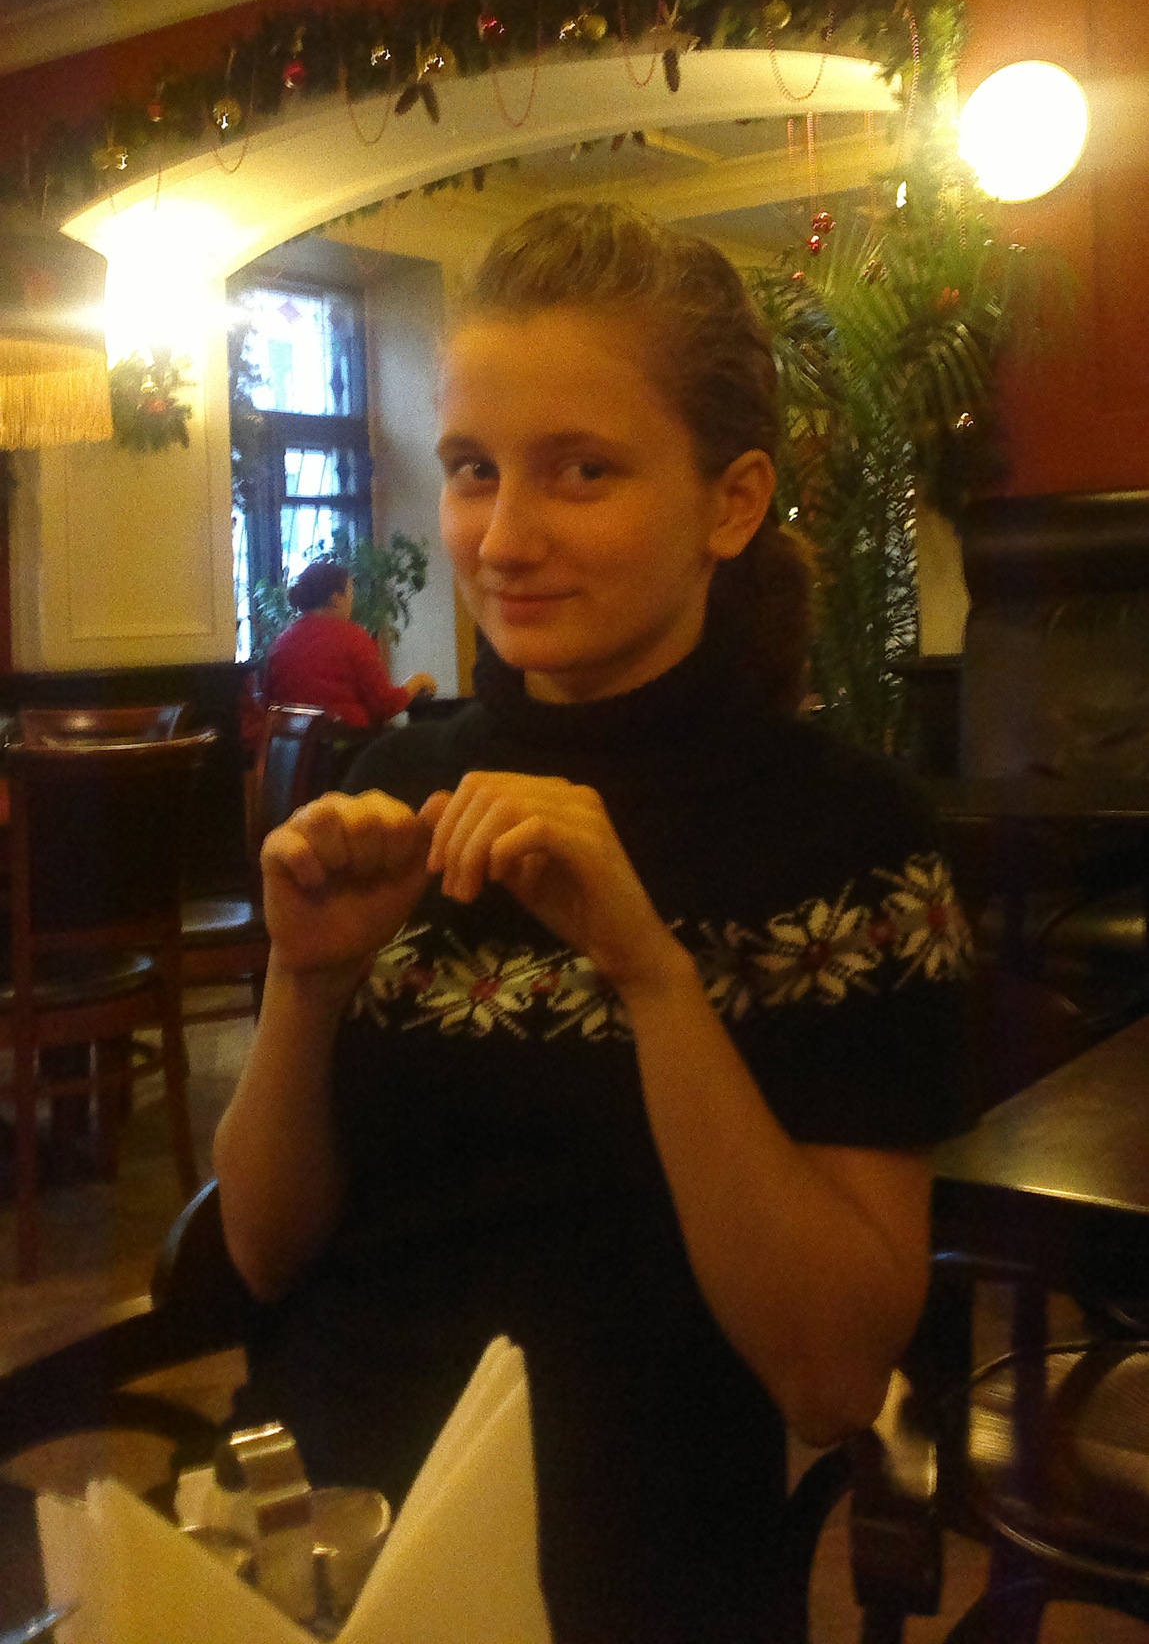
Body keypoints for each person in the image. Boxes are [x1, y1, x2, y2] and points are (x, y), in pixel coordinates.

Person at [214, 203, 972, 1644]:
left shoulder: (848, 837)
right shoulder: (397, 785)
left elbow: (828, 1376)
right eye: (474, 470)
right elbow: (262, 1251)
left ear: (730, 504)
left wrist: (650, 972)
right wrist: (304, 986)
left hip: (625, 1576)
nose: (503, 539)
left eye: (582, 470)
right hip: (319, 1545)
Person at [264, 558, 436, 729]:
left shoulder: (280, 643)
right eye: (350, 594)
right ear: (336, 598)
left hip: (294, 744)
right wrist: (417, 682)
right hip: (348, 742)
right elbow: (384, 705)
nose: (352, 602)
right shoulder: (352, 638)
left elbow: (269, 705)